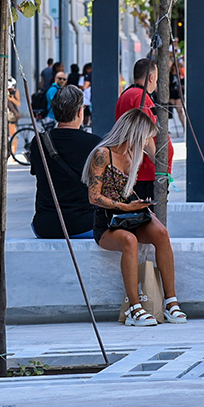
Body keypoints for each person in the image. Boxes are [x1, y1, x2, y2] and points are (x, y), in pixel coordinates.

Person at [83, 108, 186, 326]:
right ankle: (134, 307)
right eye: (147, 136)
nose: (149, 140)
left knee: (161, 233)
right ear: (135, 133)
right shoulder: (103, 153)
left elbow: (154, 167)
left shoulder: (132, 154)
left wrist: (139, 208)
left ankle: (171, 301)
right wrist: (124, 207)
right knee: (129, 241)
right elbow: (93, 197)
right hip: (107, 222)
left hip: (130, 216)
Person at [30, 86, 101, 239]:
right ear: (80, 112)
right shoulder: (95, 144)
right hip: (84, 224)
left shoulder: (38, 142)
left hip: (45, 225)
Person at [115, 58, 174, 201]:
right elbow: (145, 137)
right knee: (150, 218)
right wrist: (161, 166)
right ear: (152, 77)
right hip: (146, 173)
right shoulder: (141, 98)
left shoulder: (127, 95)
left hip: (139, 170)